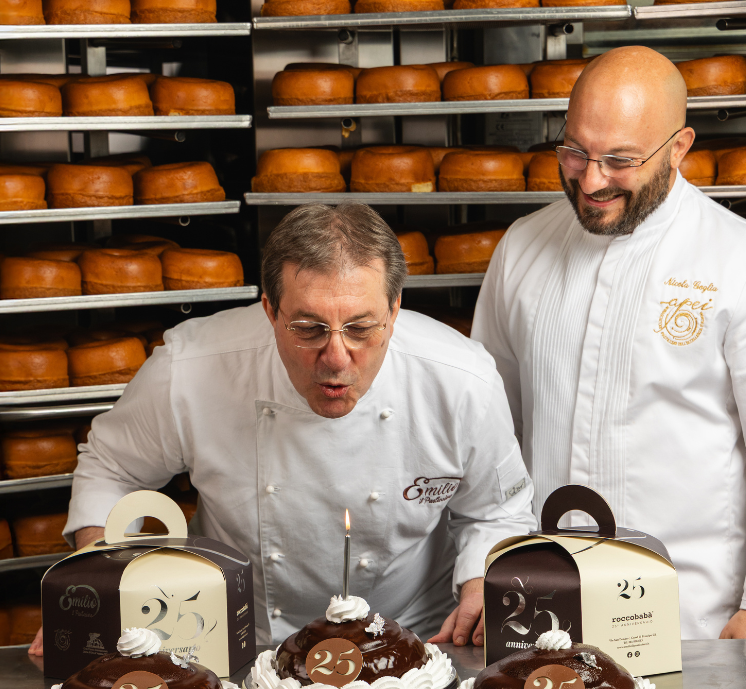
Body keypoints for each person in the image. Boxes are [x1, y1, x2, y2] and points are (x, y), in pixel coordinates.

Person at [29, 203, 534, 656]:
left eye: (361, 328)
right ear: (269, 310)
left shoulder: (461, 378)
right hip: (242, 644)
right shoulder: (191, 368)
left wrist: (480, 587)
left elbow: (496, 509)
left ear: (395, 308)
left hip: (417, 645)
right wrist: (102, 582)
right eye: (308, 328)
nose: (336, 359)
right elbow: (112, 470)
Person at [471, 46, 746, 640]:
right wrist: (484, 571)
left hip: (693, 620)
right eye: (575, 152)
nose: (591, 180)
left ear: (680, 147)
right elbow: (490, 439)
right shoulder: (520, 248)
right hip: (538, 615)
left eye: (620, 160)